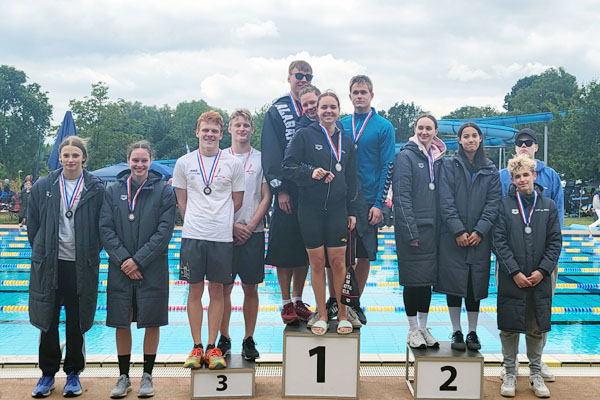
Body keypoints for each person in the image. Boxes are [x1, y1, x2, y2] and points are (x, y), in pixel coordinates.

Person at [27, 136, 105, 398]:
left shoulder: (95, 187)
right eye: (66, 155)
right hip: (50, 264)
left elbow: (102, 226)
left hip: (81, 265)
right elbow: (33, 225)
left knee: (76, 320)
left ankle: (73, 373)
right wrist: (44, 250)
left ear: (84, 158)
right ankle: (47, 374)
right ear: (59, 158)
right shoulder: (44, 185)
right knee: (47, 320)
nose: (70, 160)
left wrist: (91, 253)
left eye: (75, 155)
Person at [100, 140, 177, 398]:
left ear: (151, 161)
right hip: (120, 268)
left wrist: (139, 261)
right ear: (128, 161)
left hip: (151, 267)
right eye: (135, 160)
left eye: (144, 160)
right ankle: (123, 376)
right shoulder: (113, 191)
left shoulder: (164, 192)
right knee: (122, 320)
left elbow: (164, 231)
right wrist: (124, 260)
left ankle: (147, 375)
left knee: (151, 321)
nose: (140, 164)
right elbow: (105, 229)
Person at [173, 110, 245, 370]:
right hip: (193, 235)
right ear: (197, 132)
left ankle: (213, 345)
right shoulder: (183, 163)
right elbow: (181, 201)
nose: (210, 134)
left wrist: (219, 220)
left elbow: (237, 202)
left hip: (221, 237)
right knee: (194, 291)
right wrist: (197, 219)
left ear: (221, 134)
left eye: (214, 131)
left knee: (217, 291)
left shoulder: (232, 164)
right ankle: (196, 345)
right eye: (206, 130)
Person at [283, 91, 358, 335]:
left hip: (337, 209)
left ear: (339, 110)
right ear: (317, 110)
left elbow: (352, 179)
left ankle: (343, 314)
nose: (328, 111)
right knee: (316, 263)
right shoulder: (304, 136)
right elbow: (288, 166)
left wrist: (353, 210)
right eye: (324, 107)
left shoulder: (346, 141)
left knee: (339, 264)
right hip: (311, 209)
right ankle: (322, 315)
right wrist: (310, 172)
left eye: (332, 107)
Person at [492, 155, 561, 398]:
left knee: (536, 327)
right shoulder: (503, 205)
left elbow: (555, 242)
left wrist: (542, 271)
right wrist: (515, 272)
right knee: (509, 327)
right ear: (512, 179)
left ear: (534, 175)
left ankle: (535, 374)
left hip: (538, 277)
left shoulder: (549, 206)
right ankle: (510, 372)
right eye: (517, 176)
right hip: (513, 276)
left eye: (526, 175)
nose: (522, 179)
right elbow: (498, 241)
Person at [435, 122, 501, 351]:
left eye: (474, 135)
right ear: (460, 141)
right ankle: (457, 331)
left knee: (475, 284)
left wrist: (480, 230)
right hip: (454, 237)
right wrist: (458, 230)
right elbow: (445, 200)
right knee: (454, 284)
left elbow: (494, 204)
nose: (471, 139)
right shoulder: (449, 166)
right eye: (466, 136)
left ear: (480, 139)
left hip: (479, 238)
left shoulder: (491, 169)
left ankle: (472, 332)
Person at [261, 60, 313, 324]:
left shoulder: (315, 108)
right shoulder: (277, 110)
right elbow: (270, 153)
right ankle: (284, 302)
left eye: (307, 75)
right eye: (298, 75)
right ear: (289, 77)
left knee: (305, 249)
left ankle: (298, 299)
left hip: (310, 191)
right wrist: (279, 189)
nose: (303, 79)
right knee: (284, 249)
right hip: (286, 191)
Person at [340, 75, 395, 325]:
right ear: (349, 96)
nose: (359, 96)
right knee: (340, 256)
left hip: (369, 199)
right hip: (343, 200)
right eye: (355, 92)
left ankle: (354, 302)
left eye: (364, 92)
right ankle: (340, 301)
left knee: (363, 255)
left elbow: (388, 166)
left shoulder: (384, 126)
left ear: (372, 95)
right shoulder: (341, 125)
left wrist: (379, 203)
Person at [218, 109, 270, 361]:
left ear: (252, 129)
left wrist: (249, 226)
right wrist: (230, 225)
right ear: (230, 129)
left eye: (246, 125)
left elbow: (266, 196)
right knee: (223, 289)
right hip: (223, 233)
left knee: (251, 288)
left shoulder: (261, 159)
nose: (242, 129)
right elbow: (214, 197)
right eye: (237, 124)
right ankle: (224, 337)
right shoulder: (218, 158)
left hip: (254, 232)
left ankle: (248, 339)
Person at [393, 113, 446, 349]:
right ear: (415, 130)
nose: (424, 132)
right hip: (413, 229)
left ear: (436, 131)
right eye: (420, 128)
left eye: (429, 128)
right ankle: (412, 329)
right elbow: (401, 196)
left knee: (426, 282)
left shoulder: (439, 157)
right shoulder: (406, 156)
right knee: (412, 282)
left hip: (433, 230)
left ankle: (423, 328)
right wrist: (410, 231)